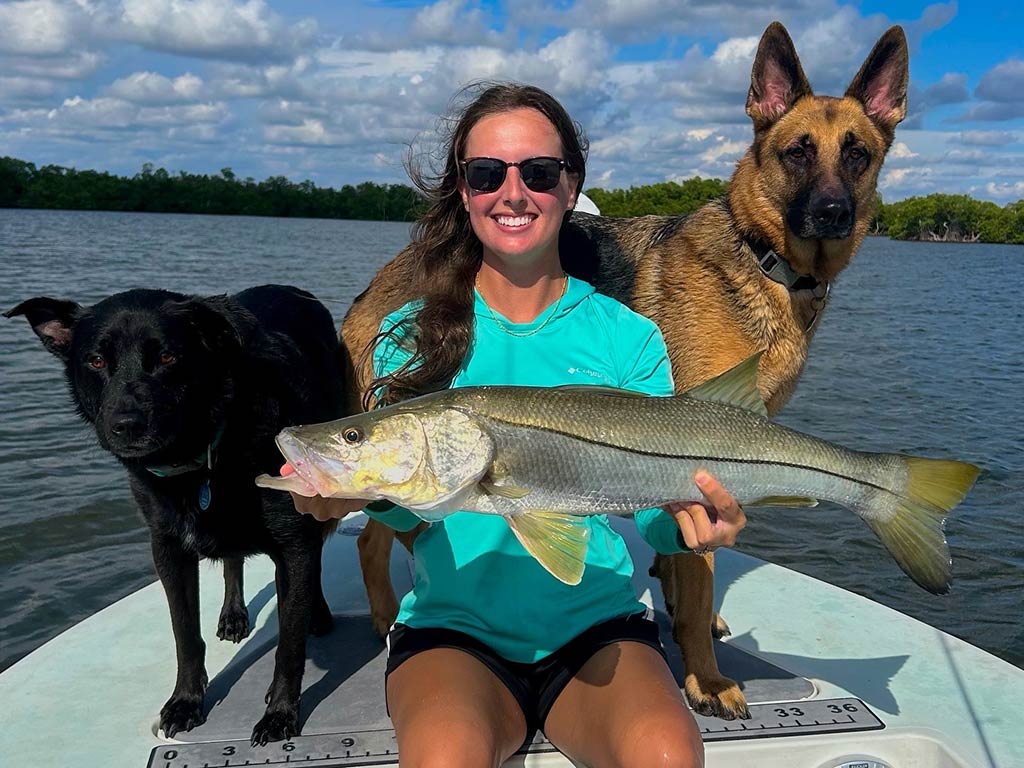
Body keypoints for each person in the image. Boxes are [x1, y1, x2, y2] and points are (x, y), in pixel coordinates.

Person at [291, 83, 746, 768]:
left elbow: (652, 517)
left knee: (669, 758)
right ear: (463, 192)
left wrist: (692, 525)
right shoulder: (408, 334)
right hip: (455, 631)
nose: (513, 192)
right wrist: (345, 492)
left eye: (538, 172)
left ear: (570, 188)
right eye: (485, 174)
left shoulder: (630, 336)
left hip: (599, 627)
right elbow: (404, 504)